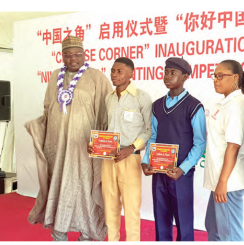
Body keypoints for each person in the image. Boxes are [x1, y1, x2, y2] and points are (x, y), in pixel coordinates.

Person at [25, 35, 112, 241]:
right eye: (68, 54)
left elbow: (105, 114)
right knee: (57, 184)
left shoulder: (97, 77)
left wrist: (103, 144)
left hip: (84, 149)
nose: (73, 58)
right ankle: (59, 232)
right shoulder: (55, 75)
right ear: (62, 56)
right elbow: (48, 109)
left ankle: (88, 233)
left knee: (85, 188)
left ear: (84, 55)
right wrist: (37, 127)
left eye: (77, 54)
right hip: (57, 147)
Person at [141, 57, 206, 241]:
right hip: (159, 171)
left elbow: (200, 142)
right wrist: (146, 161)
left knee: (183, 220)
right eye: (166, 72)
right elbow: (153, 136)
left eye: (173, 73)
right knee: (161, 218)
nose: (168, 76)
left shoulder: (194, 106)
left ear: (185, 77)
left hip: (180, 174)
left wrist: (183, 169)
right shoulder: (157, 105)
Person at [88, 57, 152, 241]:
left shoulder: (142, 97)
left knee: (131, 207)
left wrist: (132, 148)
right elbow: (104, 126)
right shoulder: (108, 98)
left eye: (119, 71)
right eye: (113, 71)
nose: (114, 75)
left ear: (132, 74)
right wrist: (95, 143)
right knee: (110, 204)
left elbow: (149, 130)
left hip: (130, 158)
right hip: (108, 158)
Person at [204, 60, 244, 241]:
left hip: (229, 182)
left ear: (234, 78)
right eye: (214, 76)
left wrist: (223, 182)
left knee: (228, 233)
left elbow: (233, 146)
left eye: (220, 76)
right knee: (214, 226)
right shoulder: (224, 104)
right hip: (220, 179)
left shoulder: (236, 105)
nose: (215, 80)